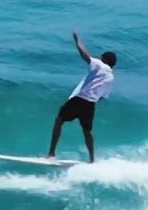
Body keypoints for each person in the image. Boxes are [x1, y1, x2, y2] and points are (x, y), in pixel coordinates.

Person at [47, 31, 116, 163]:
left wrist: (77, 40)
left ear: (105, 60)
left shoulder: (99, 65)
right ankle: (92, 160)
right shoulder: (111, 77)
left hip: (79, 99)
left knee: (59, 121)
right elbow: (102, 97)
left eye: (102, 57)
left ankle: (51, 153)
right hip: (90, 104)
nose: (100, 59)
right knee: (87, 132)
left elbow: (84, 54)